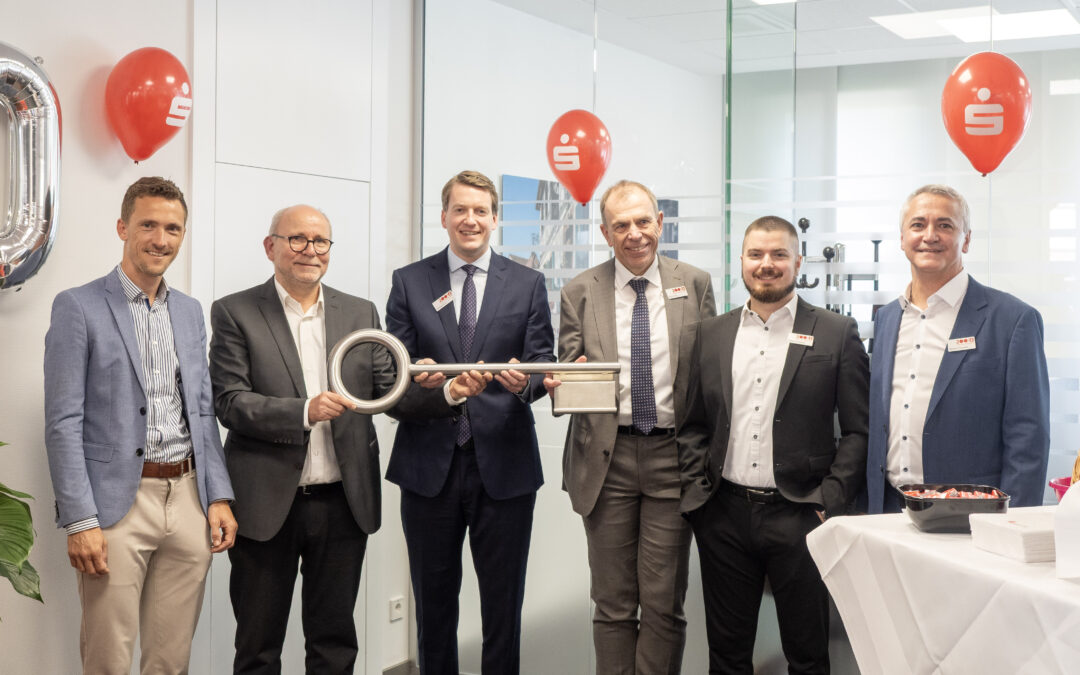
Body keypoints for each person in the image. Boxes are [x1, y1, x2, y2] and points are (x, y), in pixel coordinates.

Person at [209, 204, 486, 674]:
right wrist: (303, 411)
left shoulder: (360, 311)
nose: (309, 251)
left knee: (335, 644)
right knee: (257, 646)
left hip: (342, 504)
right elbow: (230, 402)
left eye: (320, 242)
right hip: (266, 505)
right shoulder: (235, 311)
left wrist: (450, 394)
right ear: (270, 246)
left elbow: (390, 395)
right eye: (297, 239)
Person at [43, 176, 237, 673]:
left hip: (189, 498)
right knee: (108, 656)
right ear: (122, 226)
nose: (160, 238)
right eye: (148, 224)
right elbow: (63, 421)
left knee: (170, 659)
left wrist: (217, 496)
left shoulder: (191, 312)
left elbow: (201, 411)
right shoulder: (78, 306)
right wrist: (81, 520)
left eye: (173, 228)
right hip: (115, 508)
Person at [677, 216, 869, 674]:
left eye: (779, 254)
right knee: (726, 655)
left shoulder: (836, 332)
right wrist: (699, 497)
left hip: (801, 514)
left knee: (806, 655)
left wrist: (828, 501)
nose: (767, 264)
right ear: (740, 262)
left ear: (798, 262)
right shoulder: (710, 334)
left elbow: (860, 430)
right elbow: (691, 425)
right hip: (723, 514)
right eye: (756, 255)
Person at [384, 170, 555, 675]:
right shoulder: (410, 282)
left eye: (481, 211)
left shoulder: (528, 284)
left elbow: (541, 365)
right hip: (428, 468)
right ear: (444, 217)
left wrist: (522, 383)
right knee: (433, 608)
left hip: (504, 467)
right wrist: (438, 387)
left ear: (495, 219)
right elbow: (393, 377)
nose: (470, 220)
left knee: (503, 610)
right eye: (460, 210)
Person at [546, 179, 715, 675]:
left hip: (672, 458)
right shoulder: (580, 291)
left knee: (663, 603)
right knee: (613, 602)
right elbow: (569, 370)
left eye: (643, 221)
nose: (635, 233)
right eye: (621, 225)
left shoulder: (696, 283)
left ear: (660, 222)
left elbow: (708, 374)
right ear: (604, 231)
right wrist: (559, 383)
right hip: (607, 459)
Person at [865, 184, 1050, 513]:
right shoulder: (888, 318)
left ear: (966, 239)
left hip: (971, 516)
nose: (930, 235)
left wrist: (1013, 525)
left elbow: (1028, 439)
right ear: (902, 238)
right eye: (918, 224)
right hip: (888, 510)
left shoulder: (1012, 320)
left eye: (945, 225)